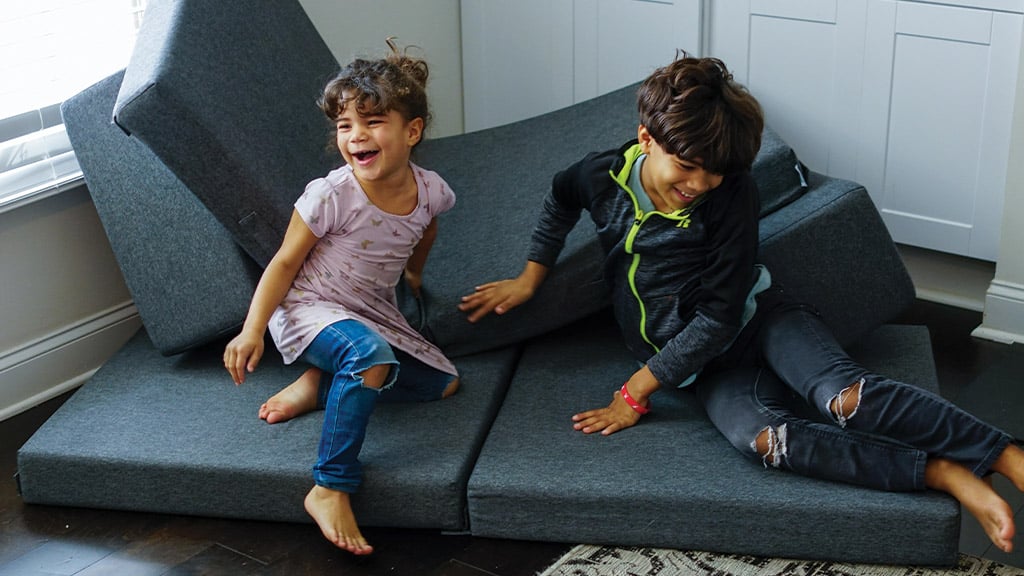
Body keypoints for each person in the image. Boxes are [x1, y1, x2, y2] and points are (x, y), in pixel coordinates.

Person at [459, 53, 1024, 554]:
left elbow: (719, 317)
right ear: (646, 139)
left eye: (717, 172)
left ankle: (1005, 456)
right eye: (688, 166)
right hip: (704, 368)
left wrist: (635, 392)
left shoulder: (731, 193)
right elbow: (559, 199)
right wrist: (530, 278)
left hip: (761, 321)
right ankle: (942, 473)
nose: (702, 182)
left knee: (845, 399)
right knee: (763, 442)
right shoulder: (600, 176)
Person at [224, 40, 459, 555]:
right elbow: (284, 262)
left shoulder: (431, 190)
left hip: (370, 312)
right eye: (345, 125)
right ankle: (330, 485)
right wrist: (251, 329)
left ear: (412, 131)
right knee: (368, 356)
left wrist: (414, 275)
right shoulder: (332, 195)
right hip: (309, 306)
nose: (357, 136)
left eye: (373, 122)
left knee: (442, 383)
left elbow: (426, 230)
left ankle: (322, 384)